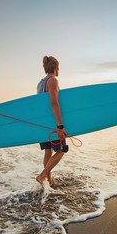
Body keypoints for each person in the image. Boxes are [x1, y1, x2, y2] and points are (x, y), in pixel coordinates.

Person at [36, 56, 66, 186]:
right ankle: (42, 176)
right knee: (62, 150)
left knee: (48, 151)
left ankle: (49, 180)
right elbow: (54, 103)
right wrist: (60, 126)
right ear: (55, 67)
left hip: (42, 124)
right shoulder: (53, 80)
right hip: (52, 125)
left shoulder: (40, 83)